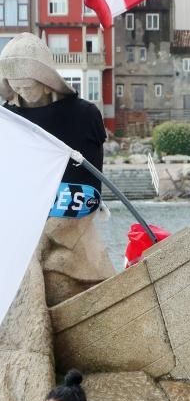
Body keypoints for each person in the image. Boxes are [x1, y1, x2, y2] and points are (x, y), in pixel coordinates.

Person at [0, 32, 114, 305]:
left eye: (30, 84)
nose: (24, 92)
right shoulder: (9, 120)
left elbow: (89, 188)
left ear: (46, 78)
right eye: (17, 86)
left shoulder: (83, 115)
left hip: (70, 221)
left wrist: (48, 228)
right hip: (20, 223)